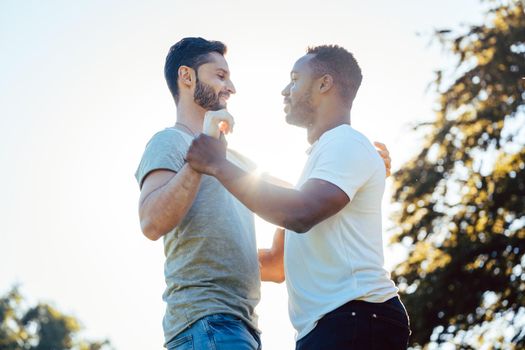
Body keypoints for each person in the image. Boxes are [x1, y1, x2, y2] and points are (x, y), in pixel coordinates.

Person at [186, 45, 410, 349]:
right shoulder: (318, 164)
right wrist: (197, 262)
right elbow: (277, 265)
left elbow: (300, 214)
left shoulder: (346, 143)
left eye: (294, 79)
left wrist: (217, 163)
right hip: (331, 325)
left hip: (357, 316)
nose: (284, 90)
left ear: (324, 84)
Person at [135, 37, 261, 350]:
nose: (230, 87)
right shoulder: (169, 142)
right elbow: (151, 222)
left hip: (242, 328)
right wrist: (200, 159)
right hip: (205, 322)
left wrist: (358, 164)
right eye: (220, 75)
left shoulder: (240, 163)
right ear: (187, 76)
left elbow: (274, 262)